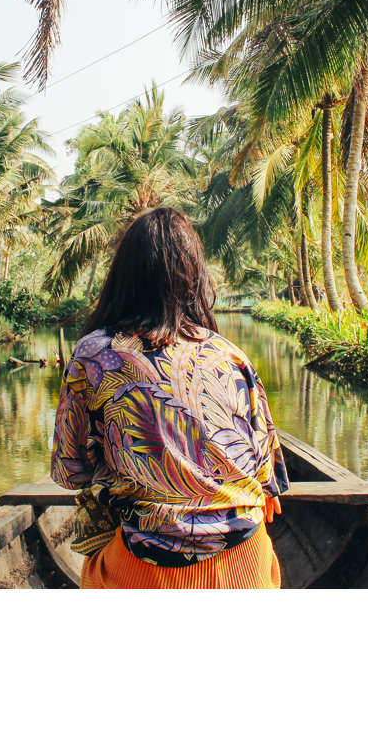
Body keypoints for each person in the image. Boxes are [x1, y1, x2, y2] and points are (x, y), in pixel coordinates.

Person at [50, 206, 289, 589]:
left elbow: (70, 470)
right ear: (193, 276)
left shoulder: (95, 353)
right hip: (248, 564)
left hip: (148, 568)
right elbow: (268, 477)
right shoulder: (229, 354)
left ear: (123, 276)